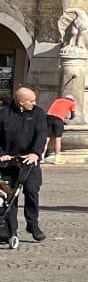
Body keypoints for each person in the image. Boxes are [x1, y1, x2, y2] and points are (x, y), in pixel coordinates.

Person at [0, 85, 49, 247]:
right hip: (8, 161)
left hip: (29, 160)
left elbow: (41, 134)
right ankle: (10, 230)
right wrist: (2, 154)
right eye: (31, 101)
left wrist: (35, 153)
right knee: (10, 196)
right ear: (21, 102)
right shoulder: (4, 113)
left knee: (32, 191)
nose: (34, 103)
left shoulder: (38, 113)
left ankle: (33, 225)